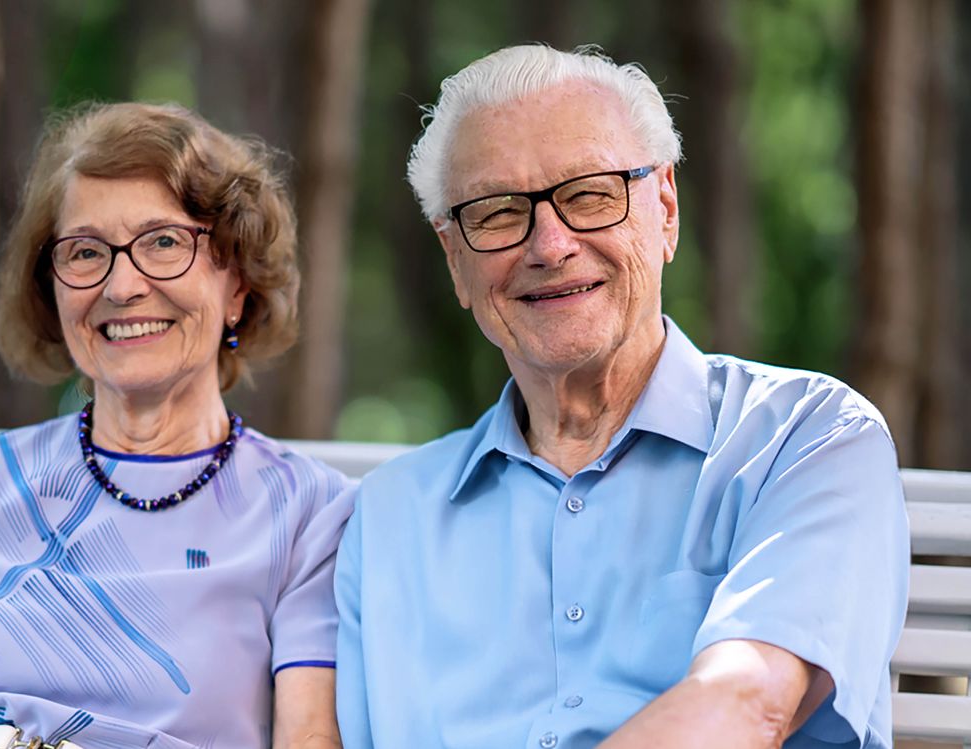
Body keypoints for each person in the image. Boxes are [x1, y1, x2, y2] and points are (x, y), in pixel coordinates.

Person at [335, 45, 909, 749]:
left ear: (664, 209)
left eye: (590, 194)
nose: (549, 244)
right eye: (495, 211)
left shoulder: (807, 438)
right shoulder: (389, 515)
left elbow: (746, 705)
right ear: (455, 259)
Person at [0, 102, 350, 749]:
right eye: (85, 252)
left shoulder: (308, 512)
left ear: (238, 283)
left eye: (163, 241)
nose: (121, 284)